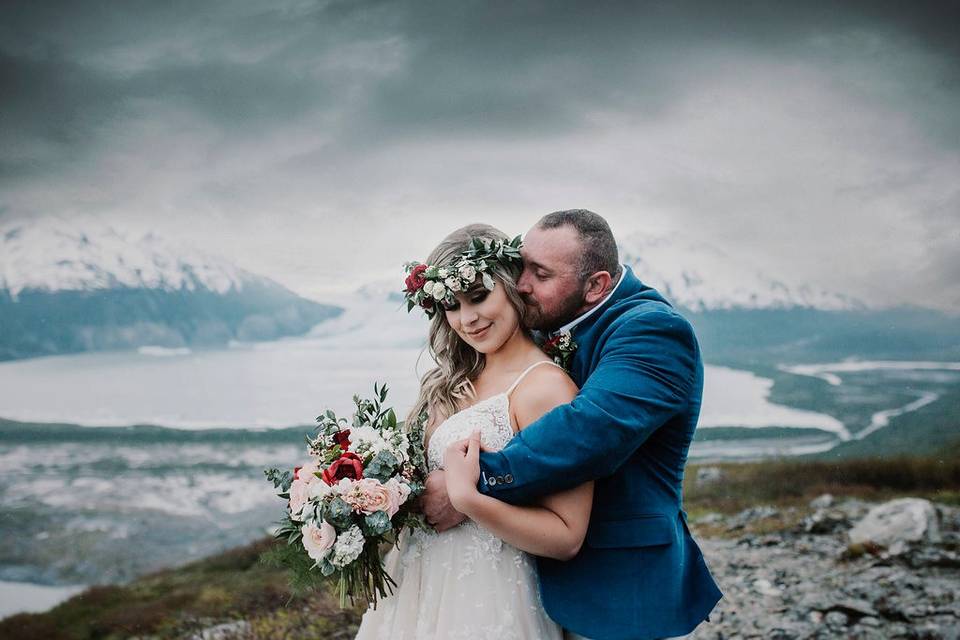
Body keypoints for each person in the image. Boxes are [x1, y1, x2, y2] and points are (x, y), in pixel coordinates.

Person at [424, 210, 723, 640]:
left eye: (540, 274)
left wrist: (470, 485)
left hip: (619, 580)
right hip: (529, 578)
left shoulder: (652, 329)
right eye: (522, 266)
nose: (520, 284)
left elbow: (590, 431)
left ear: (596, 285)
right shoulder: (552, 327)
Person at [354, 223, 593, 640]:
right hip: (416, 587)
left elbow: (566, 537)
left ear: (510, 286)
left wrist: (468, 498)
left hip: (488, 598)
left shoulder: (545, 389)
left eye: (479, 296)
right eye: (451, 304)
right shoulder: (455, 378)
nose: (468, 319)